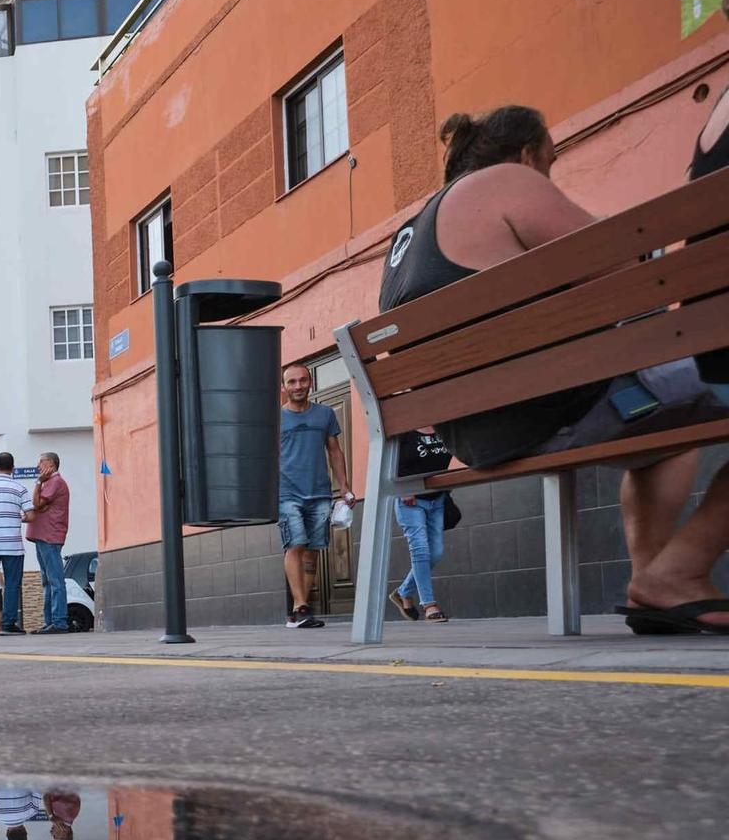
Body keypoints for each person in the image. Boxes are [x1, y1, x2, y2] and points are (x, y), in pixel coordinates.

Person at [379, 104, 729, 634]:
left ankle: (657, 586)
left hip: (471, 433)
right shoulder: (507, 182)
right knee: (687, 393)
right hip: (545, 412)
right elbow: (630, 270)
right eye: (551, 161)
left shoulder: (411, 232)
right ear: (527, 154)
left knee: (670, 429)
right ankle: (674, 574)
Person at [278, 362, 353, 629]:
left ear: (310, 383)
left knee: (312, 552)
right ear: (284, 387)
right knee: (295, 545)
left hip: (320, 493)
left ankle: (302, 607)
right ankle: (300, 608)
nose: (298, 386)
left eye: (302, 381)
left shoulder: (325, 414)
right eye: (292, 382)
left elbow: (335, 451)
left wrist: (343, 485)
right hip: (286, 493)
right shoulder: (276, 418)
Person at [388, 427, 455, 623]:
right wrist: (402, 487)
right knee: (420, 550)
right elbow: (389, 462)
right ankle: (429, 605)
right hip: (410, 500)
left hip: (437, 499)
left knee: (436, 553)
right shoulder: (404, 432)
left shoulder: (443, 429)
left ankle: (403, 592)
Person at [0, 452, 31, 633]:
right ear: (12, 468)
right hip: (12, 545)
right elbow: (31, 515)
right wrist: (17, 516)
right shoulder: (19, 488)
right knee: (12, 584)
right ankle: (8, 624)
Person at [27, 452, 71, 633]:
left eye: (41, 462)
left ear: (51, 464)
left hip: (49, 537)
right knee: (47, 581)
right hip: (43, 537)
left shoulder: (55, 482)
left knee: (55, 580)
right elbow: (39, 505)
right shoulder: (50, 483)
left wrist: (38, 482)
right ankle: (50, 621)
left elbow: (36, 504)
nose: (38, 466)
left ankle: (59, 621)